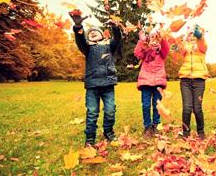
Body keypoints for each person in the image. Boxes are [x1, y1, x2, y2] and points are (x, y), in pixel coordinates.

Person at [69, 10, 122, 146]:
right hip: (92, 86)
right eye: (90, 32)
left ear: (102, 35)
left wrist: (115, 27)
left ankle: (108, 132)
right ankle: (90, 138)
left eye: (95, 31)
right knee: (92, 112)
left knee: (110, 110)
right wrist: (78, 27)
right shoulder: (87, 48)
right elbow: (80, 39)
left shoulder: (108, 46)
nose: (92, 32)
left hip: (108, 85)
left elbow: (117, 39)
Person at [134, 27, 169, 138]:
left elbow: (166, 48)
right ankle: (147, 127)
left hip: (158, 81)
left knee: (157, 105)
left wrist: (162, 38)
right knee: (146, 105)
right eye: (152, 37)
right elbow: (137, 53)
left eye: (156, 37)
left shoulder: (161, 52)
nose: (154, 39)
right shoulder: (145, 50)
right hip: (145, 82)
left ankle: (156, 125)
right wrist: (142, 40)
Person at [178, 24, 209, 140]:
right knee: (187, 108)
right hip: (185, 79)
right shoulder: (185, 47)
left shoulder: (201, 46)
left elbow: (203, 43)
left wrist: (199, 36)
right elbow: (180, 50)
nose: (192, 36)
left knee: (197, 108)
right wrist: (184, 39)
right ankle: (185, 133)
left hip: (199, 80)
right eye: (190, 34)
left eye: (193, 34)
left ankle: (201, 132)